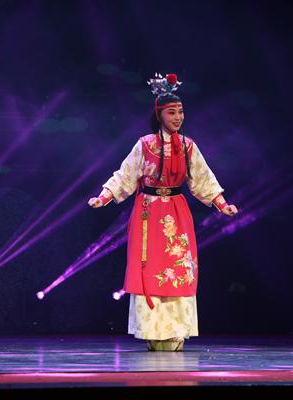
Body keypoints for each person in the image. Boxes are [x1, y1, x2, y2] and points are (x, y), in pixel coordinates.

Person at [88, 74, 238, 351]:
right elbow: (125, 175)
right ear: (159, 115)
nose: (178, 117)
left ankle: (177, 331)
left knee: (179, 267)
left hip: (176, 212)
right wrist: (104, 197)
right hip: (148, 213)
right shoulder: (145, 144)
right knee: (150, 268)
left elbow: (203, 179)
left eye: (180, 112)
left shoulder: (188, 146)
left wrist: (221, 204)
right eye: (172, 112)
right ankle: (152, 331)